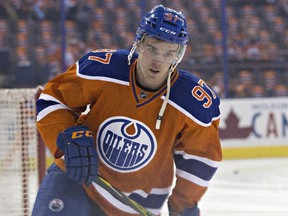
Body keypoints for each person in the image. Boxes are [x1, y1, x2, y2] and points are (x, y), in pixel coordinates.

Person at [32, 5, 222, 216]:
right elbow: (53, 99)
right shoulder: (103, 69)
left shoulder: (193, 102)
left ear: (179, 55)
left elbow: (200, 161)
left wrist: (183, 208)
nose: (158, 61)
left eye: (169, 53)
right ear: (138, 44)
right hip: (78, 179)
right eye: (152, 49)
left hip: (136, 203)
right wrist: (66, 134)